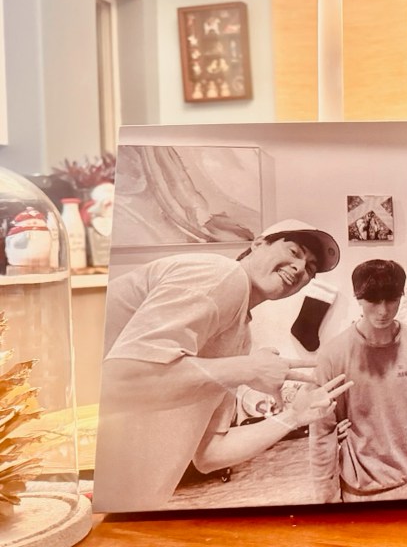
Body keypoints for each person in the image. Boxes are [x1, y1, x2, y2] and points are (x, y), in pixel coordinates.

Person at [93, 219, 350, 513]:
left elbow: (211, 454)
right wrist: (248, 369)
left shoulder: (241, 336)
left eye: (311, 269)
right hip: (86, 489)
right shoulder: (220, 273)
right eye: (294, 252)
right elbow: (119, 379)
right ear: (258, 244)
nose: (300, 268)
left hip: (130, 504)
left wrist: (293, 416)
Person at [309, 259, 407, 503]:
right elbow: (322, 433)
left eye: (392, 299)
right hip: (358, 490)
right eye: (373, 300)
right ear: (359, 298)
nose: (383, 310)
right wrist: (327, 500)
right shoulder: (333, 355)